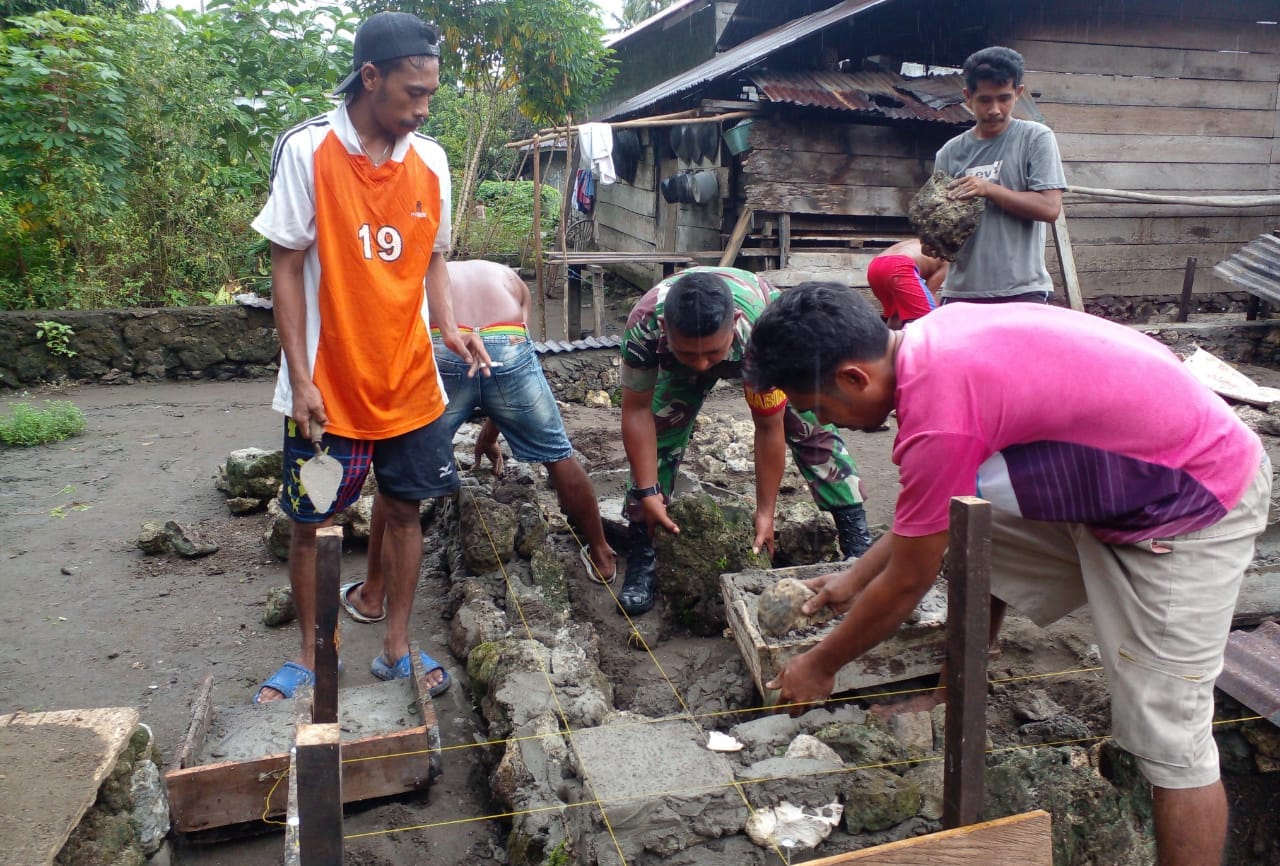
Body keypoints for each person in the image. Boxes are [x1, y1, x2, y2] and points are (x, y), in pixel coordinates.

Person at [744, 282, 1270, 866]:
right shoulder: (931, 336)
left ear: (853, 377)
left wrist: (819, 667)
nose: (827, 423)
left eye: (820, 409)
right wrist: (854, 578)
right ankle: (951, 696)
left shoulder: (939, 416)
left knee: (1169, 737)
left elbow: (907, 583)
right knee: (975, 534)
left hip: (1193, 499)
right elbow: (937, 514)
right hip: (1120, 477)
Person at [251, 11, 489, 703]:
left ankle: (396, 645)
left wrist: (447, 326)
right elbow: (287, 268)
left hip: (409, 378)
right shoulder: (308, 150)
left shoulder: (432, 160)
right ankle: (310, 656)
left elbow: (433, 261)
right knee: (312, 522)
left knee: (407, 511)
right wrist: (300, 378)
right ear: (370, 77)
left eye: (430, 96)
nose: (421, 108)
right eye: (411, 93)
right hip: (330, 383)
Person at [343, 260, 618, 624]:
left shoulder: (427, 273)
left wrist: (487, 435)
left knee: (399, 472)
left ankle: (374, 593)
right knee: (558, 454)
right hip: (508, 340)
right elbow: (502, 374)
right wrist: (490, 434)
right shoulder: (510, 278)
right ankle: (601, 554)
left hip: (444, 342)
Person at [617, 266, 872, 616]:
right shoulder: (644, 326)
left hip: (758, 341)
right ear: (664, 329)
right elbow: (636, 411)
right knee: (662, 428)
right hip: (682, 353)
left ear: (733, 321)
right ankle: (643, 550)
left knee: (808, 424)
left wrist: (765, 512)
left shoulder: (761, 334)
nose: (704, 365)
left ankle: (855, 535)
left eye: (712, 353)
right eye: (692, 354)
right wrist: (647, 491)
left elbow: (769, 426)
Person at [932, 46, 1067, 304]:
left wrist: (988, 190)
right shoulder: (949, 154)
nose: (994, 109)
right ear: (968, 97)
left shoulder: (1035, 138)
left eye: (1004, 98)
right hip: (961, 294)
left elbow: (1050, 208)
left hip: (1021, 291)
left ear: (1018, 93)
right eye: (984, 100)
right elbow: (942, 229)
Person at [866, 239, 947, 328]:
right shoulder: (947, 259)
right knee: (931, 318)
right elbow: (930, 292)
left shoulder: (923, 241)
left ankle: (892, 340)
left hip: (876, 265)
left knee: (896, 314)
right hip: (899, 266)